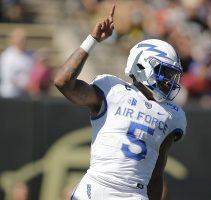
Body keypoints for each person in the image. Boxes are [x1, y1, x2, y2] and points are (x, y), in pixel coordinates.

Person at [54, 4, 187, 200]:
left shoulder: (171, 115)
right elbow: (63, 82)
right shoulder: (113, 90)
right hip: (97, 189)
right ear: (143, 65)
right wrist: (93, 40)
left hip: (135, 195)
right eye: (165, 72)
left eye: (172, 75)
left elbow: (156, 174)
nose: (169, 81)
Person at [0, 28, 33, 98]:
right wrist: (24, 84)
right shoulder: (7, 56)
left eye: (24, 39)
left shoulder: (30, 55)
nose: (23, 42)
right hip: (10, 94)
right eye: (20, 39)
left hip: (25, 94)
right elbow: (8, 76)